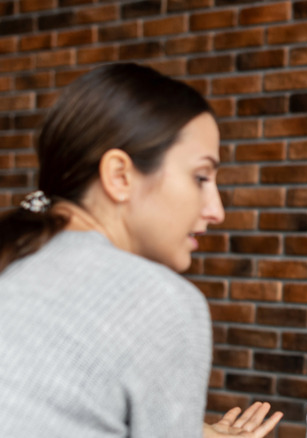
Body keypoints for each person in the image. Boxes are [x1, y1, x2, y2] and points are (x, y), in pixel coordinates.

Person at [0, 63, 282, 438]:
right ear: (120, 176)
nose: (216, 211)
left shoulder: (18, 257)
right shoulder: (161, 301)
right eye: (200, 177)